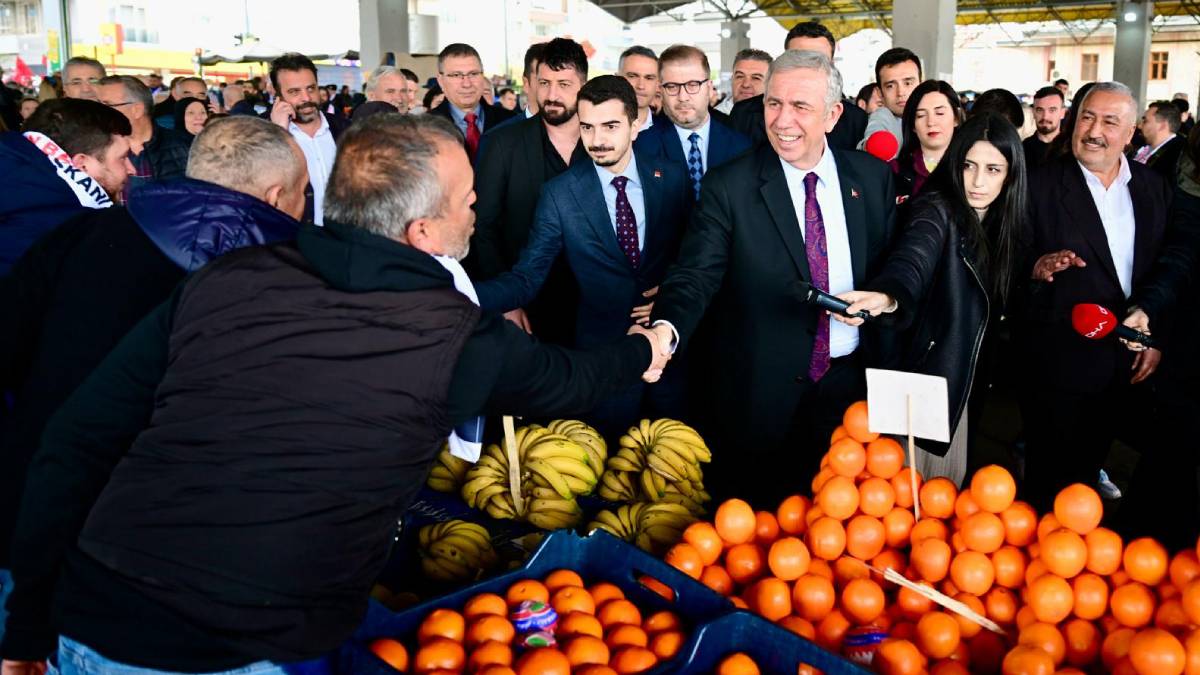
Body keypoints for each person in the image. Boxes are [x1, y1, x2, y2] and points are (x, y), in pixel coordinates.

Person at [0, 114, 668, 674]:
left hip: (92, 624)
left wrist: (27, 623)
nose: (478, 206)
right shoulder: (458, 337)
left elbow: (76, 442)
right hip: (246, 649)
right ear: (422, 233)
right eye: (466, 197)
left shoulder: (226, 278)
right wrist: (647, 348)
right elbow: (572, 380)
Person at [0, 118, 306, 646]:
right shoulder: (273, 288)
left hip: (32, 517)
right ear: (277, 197)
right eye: (304, 194)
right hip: (152, 575)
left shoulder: (79, 232)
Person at [646, 50, 897, 503]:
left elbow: (889, 268)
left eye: (800, 106)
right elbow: (695, 274)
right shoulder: (730, 186)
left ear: (834, 114)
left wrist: (888, 298)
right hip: (758, 395)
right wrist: (665, 329)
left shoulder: (872, 178)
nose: (782, 120)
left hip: (850, 393)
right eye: (773, 103)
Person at [474, 75, 691, 437]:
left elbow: (692, 255)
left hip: (670, 356)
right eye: (587, 127)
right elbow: (527, 277)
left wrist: (669, 294)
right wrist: (460, 293)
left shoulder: (669, 175)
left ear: (635, 124)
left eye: (610, 126)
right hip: (603, 360)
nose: (597, 140)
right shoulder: (560, 194)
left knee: (676, 470)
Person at [836, 113, 1028, 484]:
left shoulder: (1006, 222)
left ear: (1011, 175)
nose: (977, 181)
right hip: (925, 377)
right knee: (911, 498)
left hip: (963, 377)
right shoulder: (937, 209)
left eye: (993, 169)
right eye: (969, 166)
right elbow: (913, 258)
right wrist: (889, 295)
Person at [1019, 82, 1173, 510]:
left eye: (1110, 122)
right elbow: (1008, 255)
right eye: (1087, 117)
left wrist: (1155, 335)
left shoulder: (1153, 189)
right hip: (1059, 361)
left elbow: (1164, 267)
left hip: (1128, 358)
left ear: (1130, 134)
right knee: (1049, 484)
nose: (1094, 131)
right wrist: (1036, 266)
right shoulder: (1040, 185)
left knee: (1094, 478)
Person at [469, 37, 590, 346]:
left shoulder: (603, 142)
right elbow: (483, 227)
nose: (551, 94)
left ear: (583, 84)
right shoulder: (501, 143)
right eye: (544, 82)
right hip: (526, 305)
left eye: (564, 84)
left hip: (594, 305)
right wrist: (506, 301)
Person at [0, 99, 133, 275]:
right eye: (122, 158)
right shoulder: (65, 232)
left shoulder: (13, 167)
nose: (132, 169)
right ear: (81, 164)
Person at [633, 44, 751, 202]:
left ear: (709, 88)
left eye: (693, 85)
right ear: (660, 90)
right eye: (672, 86)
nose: (683, 97)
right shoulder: (641, 148)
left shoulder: (741, 147)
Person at [730, 22, 868, 151]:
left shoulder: (855, 120)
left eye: (818, 61)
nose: (806, 69)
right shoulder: (744, 114)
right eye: (797, 60)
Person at [267, 52, 348, 225]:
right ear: (278, 96)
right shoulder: (266, 134)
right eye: (294, 92)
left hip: (345, 241)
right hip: (295, 242)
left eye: (311, 88)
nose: (306, 98)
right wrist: (280, 133)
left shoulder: (345, 128)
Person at [97, 75, 191, 202]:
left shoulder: (185, 146)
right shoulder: (94, 149)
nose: (98, 112)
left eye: (107, 106)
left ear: (137, 110)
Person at [429, 43, 516, 163]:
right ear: (441, 81)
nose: (467, 84)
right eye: (456, 75)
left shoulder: (511, 122)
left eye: (473, 74)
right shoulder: (422, 128)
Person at [892, 79, 962, 200]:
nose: (931, 122)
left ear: (956, 117)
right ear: (913, 125)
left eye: (939, 113)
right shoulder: (895, 170)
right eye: (921, 115)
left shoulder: (971, 168)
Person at [858, 47, 921, 157]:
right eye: (890, 86)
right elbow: (875, 131)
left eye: (908, 83)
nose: (900, 92)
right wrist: (871, 145)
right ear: (880, 93)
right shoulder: (883, 116)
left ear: (921, 85)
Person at [1133, 100, 1185, 181]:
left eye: (1145, 121)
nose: (1139, 126)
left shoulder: (1178, 156)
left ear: (1162, 126)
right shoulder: (1141, 144)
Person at [1024, 86, 1066, 171]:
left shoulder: (1072, 149)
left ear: (1062, 113)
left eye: (1052, 110)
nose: (1045, 116)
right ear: (1033, 112)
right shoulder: (1022, 150)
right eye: (1040, 110)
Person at [618, 45, 659, 133]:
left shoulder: (671, 132)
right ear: (616, 79)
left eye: (649, 78)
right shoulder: (593, 123)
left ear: (657, 84)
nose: (641, 86)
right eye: (632, 76)